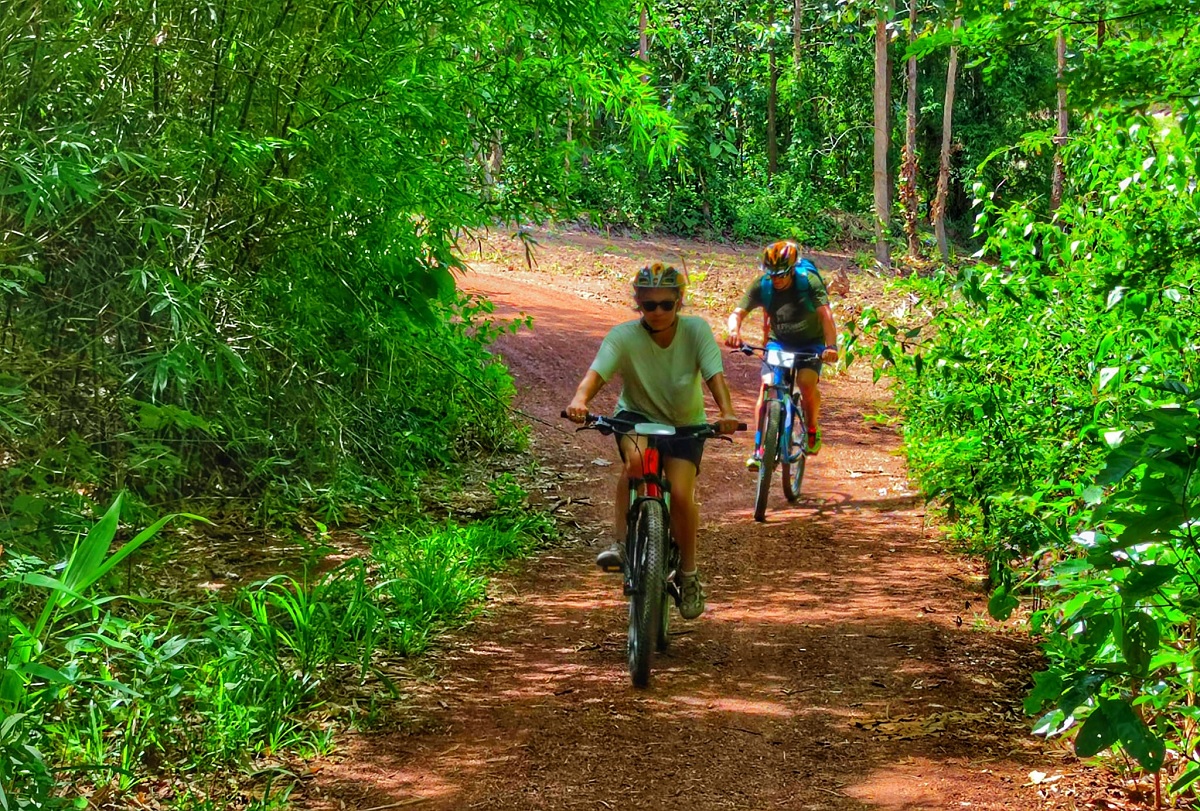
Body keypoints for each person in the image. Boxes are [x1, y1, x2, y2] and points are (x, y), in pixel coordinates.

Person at [565, 263, 740, 620]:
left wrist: (726, 412)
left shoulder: (696, 331)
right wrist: (580, 401)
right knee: (635, 463)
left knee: (680, 493)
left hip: (685, 424)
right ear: (638, 305)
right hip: (637, 416)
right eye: (649, 305)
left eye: (666, 304)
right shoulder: (623, 336)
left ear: (679, 302)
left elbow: (714, 375)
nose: (658, 312)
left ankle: (688, 575)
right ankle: (620, 542)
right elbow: (596, 374)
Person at [724, 241, 839, 469]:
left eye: (782, 274)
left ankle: (812, 429)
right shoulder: (763, 285)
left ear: (792, 270)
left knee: (806, 382)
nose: (776, 279)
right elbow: (737, 313)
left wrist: (831, 346)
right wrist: (733, 331)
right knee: (767, 385)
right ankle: (759, 449)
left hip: (811, 344)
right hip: (780, 343)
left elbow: (826, 315)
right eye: (772, 274)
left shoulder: (809, 283)